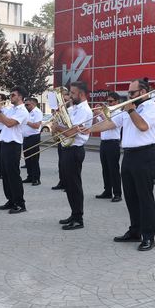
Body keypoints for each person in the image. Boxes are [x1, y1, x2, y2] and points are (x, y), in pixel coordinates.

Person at [85, 79, 155, 251]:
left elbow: (142, 126)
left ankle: (149, 237)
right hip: (128, 155)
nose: (129, 96)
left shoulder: (152, 107)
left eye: (132, 93)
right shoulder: (128, 108)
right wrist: (87, 129)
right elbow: (111, 123)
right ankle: (135, 231)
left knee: (145, 198)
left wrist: (131, 110)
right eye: (128, 93)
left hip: (145, 155)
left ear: (143, 92)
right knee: (131, 197)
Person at [55, 81, 93, 230]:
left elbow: (72, 132)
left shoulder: (85, 110)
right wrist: (58, 117)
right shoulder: (73, 108)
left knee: (74, 185)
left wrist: (58, 127)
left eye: (72, 93)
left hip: (75, 150)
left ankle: (78, 218)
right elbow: (65, 125)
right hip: (66, 148)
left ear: (81, 94)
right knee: (69, 185)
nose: (69, 96)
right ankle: (74, 213)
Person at [0, 86, 30, 214]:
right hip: (5, 142)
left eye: (13, 95)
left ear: (20, 97)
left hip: (14, 145)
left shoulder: (22, 111)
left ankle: (20, 203)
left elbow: (9, 123)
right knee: (6, 174)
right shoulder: (11, 109)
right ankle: (11, 200)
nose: (11, 97)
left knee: (14, 175)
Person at [95, 92, 122, 202]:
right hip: (104, 143)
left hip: (113, 143)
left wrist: (101, 114)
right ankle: (107, 191)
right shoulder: (106, 112)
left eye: (111, 101)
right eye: (107, 101)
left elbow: (110, 125)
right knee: (105, 169)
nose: (108, 103)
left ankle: (117, 193)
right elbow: (98, 125)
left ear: (116, 102)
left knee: (113, 169)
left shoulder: (119, 113)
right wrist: (96, 114)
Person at [51, 89, 72, 191]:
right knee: (61, 163)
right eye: (62, 96)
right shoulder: (60, 109)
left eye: (66, 95)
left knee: (68, 164)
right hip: (61, 138)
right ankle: (62, 181)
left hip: (70, 139)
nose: (64, 98)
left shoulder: (72, 109)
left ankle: (69, 183)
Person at [22, 97, 43, 186]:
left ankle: (36, 178)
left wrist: (27, 121)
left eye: (27, 104)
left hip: (34, 137)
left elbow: (37, 126)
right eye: (25, 104)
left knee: (34, 159)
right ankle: (30, 176)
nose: (26, 106)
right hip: (26, 138)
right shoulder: (27, 112)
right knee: (27, 158)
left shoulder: (37, 112)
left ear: (33, 104)